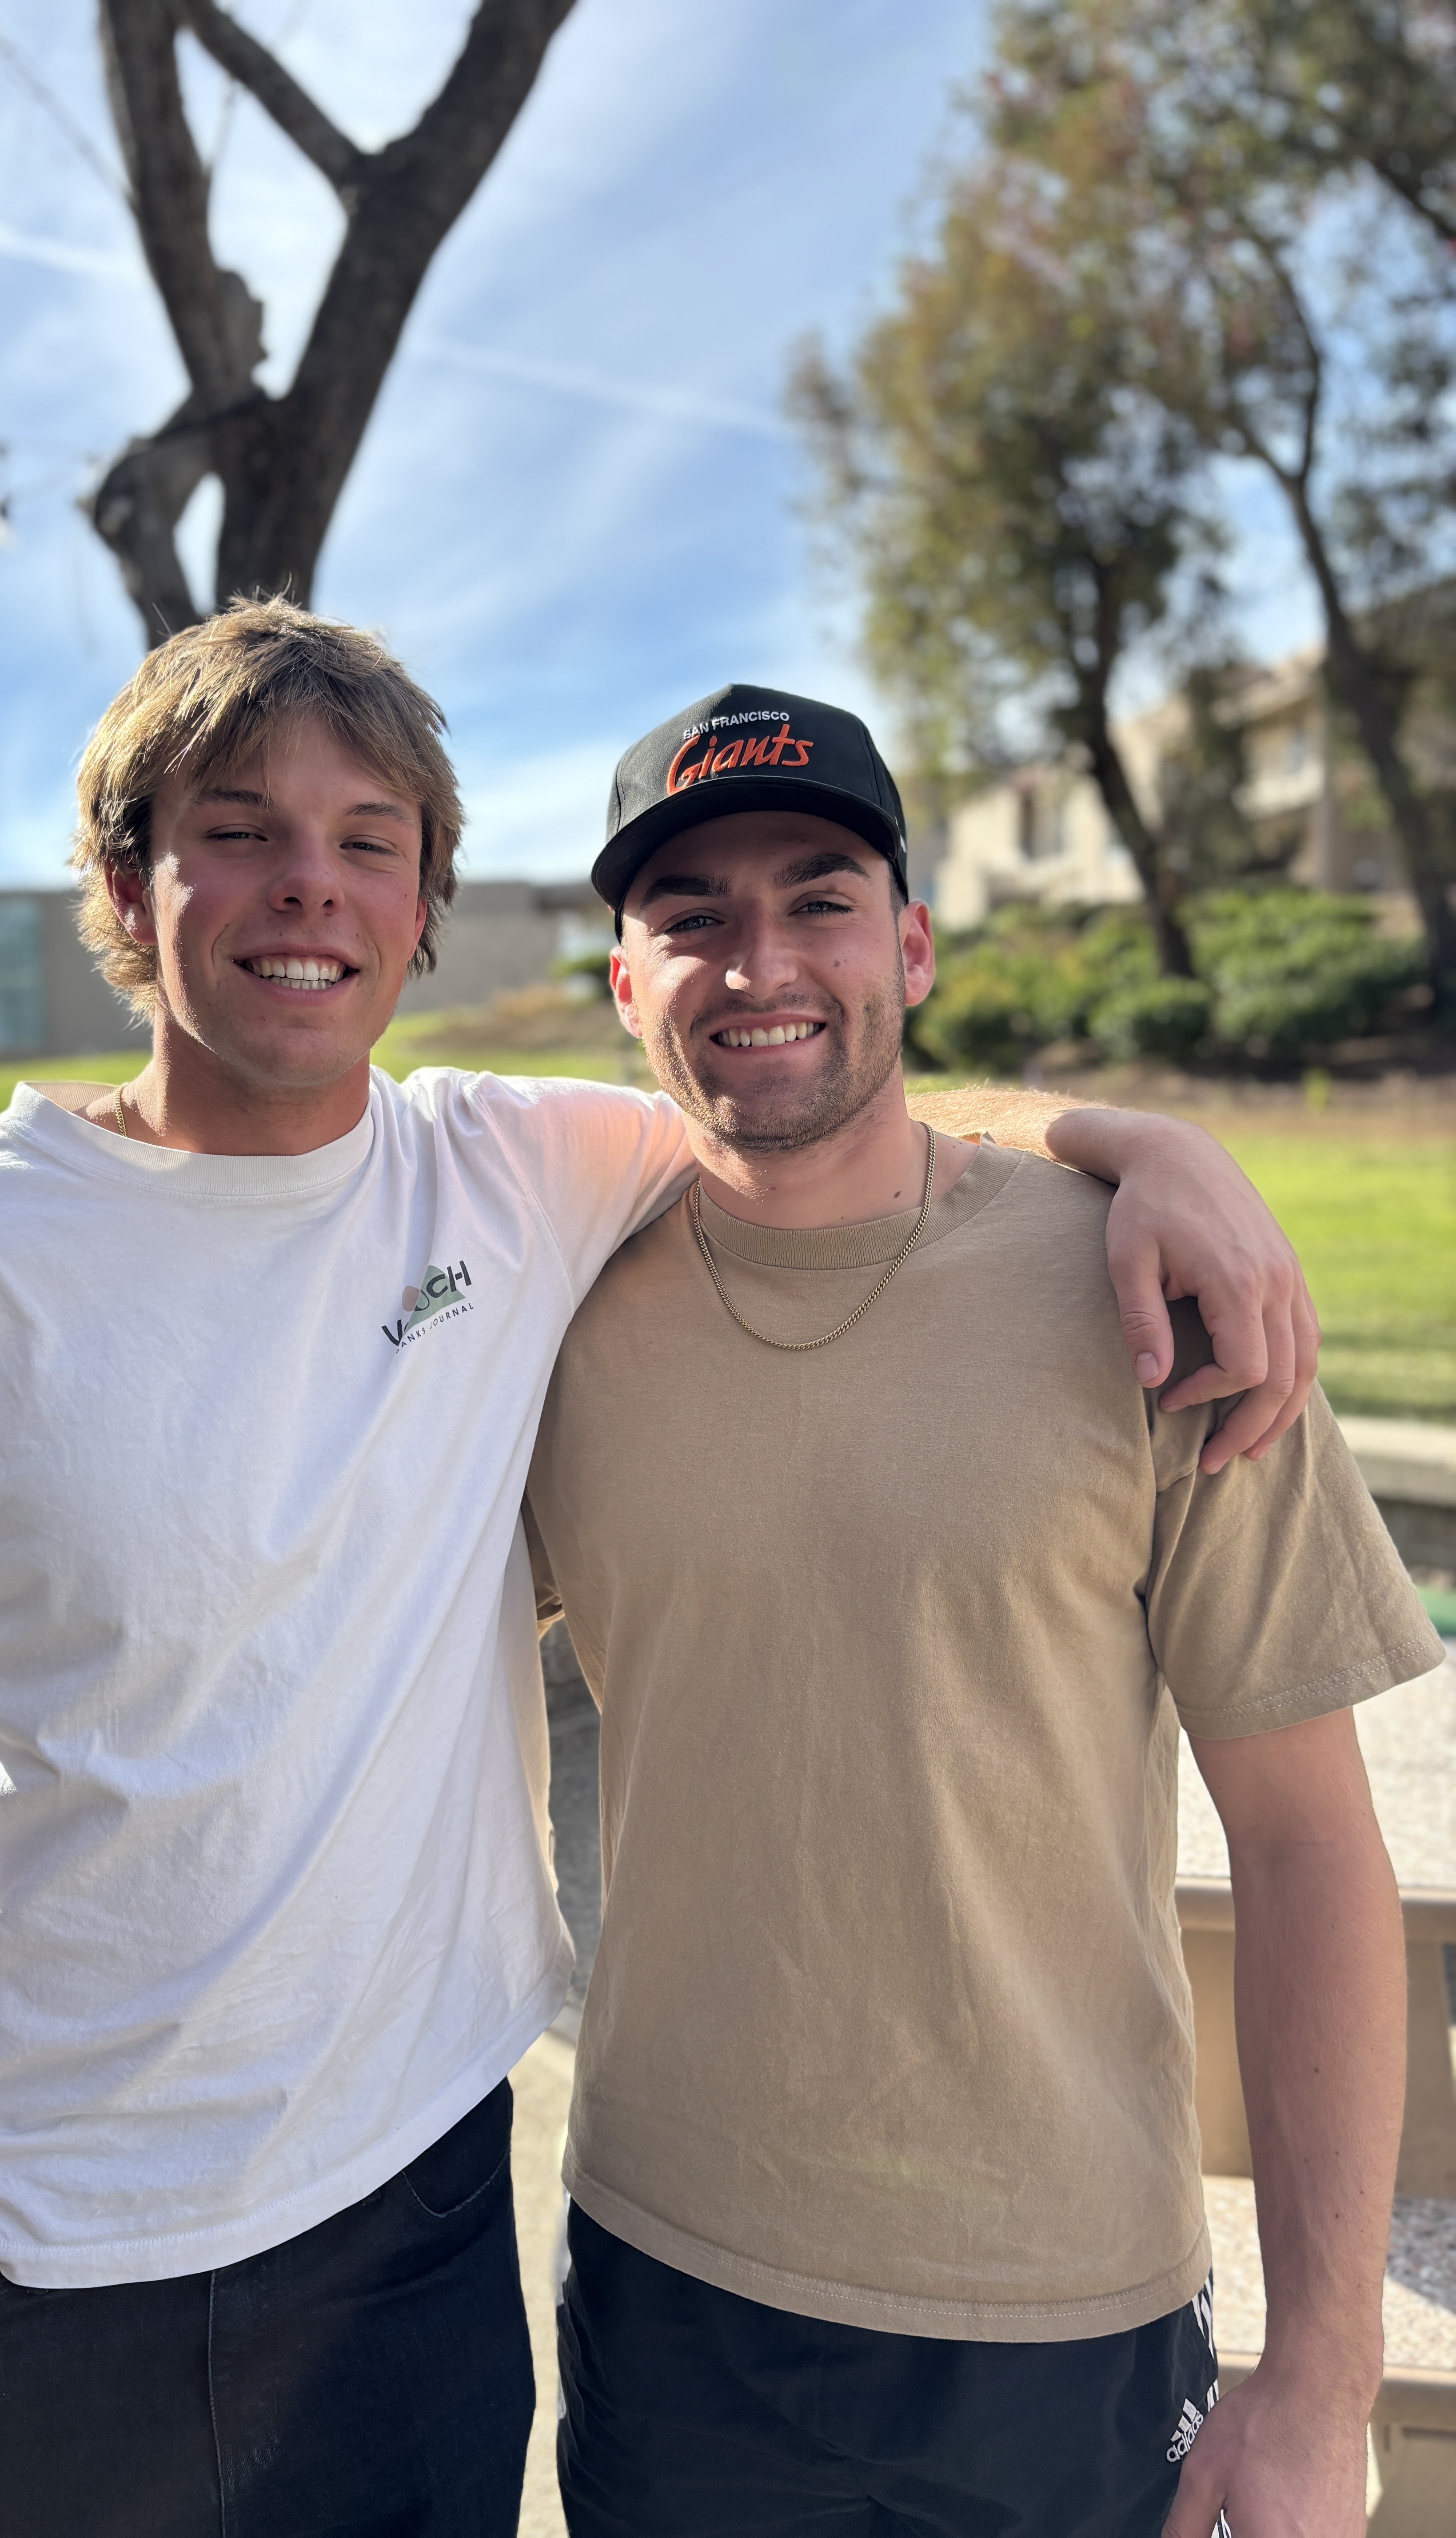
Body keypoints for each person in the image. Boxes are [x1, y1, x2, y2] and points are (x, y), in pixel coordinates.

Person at [0, 607, 1316, 2538]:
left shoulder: (508, 1176)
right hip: (37, 2273)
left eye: (370, 841)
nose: (310, 890)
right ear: (129, 881)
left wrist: (1143, 1140)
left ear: (427, 897)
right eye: (240, 829)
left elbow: (813, 1099)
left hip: (416, 2249)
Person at [521, 682, 1443, 2538]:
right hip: (666, 2282)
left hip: (1061, 2316)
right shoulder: (544, 1322)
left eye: (820, 897)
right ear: (626, 986)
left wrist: (1319, 2366)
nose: (756, 959)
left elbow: (1309, 1849)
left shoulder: (1163, 1305)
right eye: (689, 913)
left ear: (914, 947)